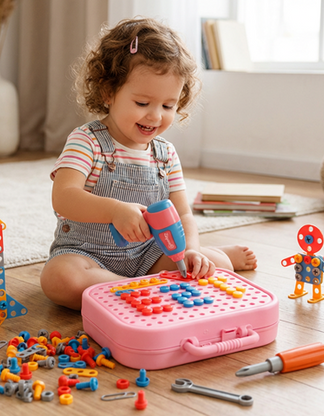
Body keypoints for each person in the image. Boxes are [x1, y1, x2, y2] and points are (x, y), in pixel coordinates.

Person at [40, 18, 257, 310]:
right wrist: (115, 210)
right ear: (108, 92)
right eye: (142, 103)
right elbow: (64, 197)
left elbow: (183, 215)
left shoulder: (165, 154)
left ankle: (127, 291)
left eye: (168, 106)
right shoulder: (86, 141)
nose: (156, 116)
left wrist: (191, 251)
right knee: (59, 280)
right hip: (87, 255)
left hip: (150, 254)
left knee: (218, 265)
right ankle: (132, 287)